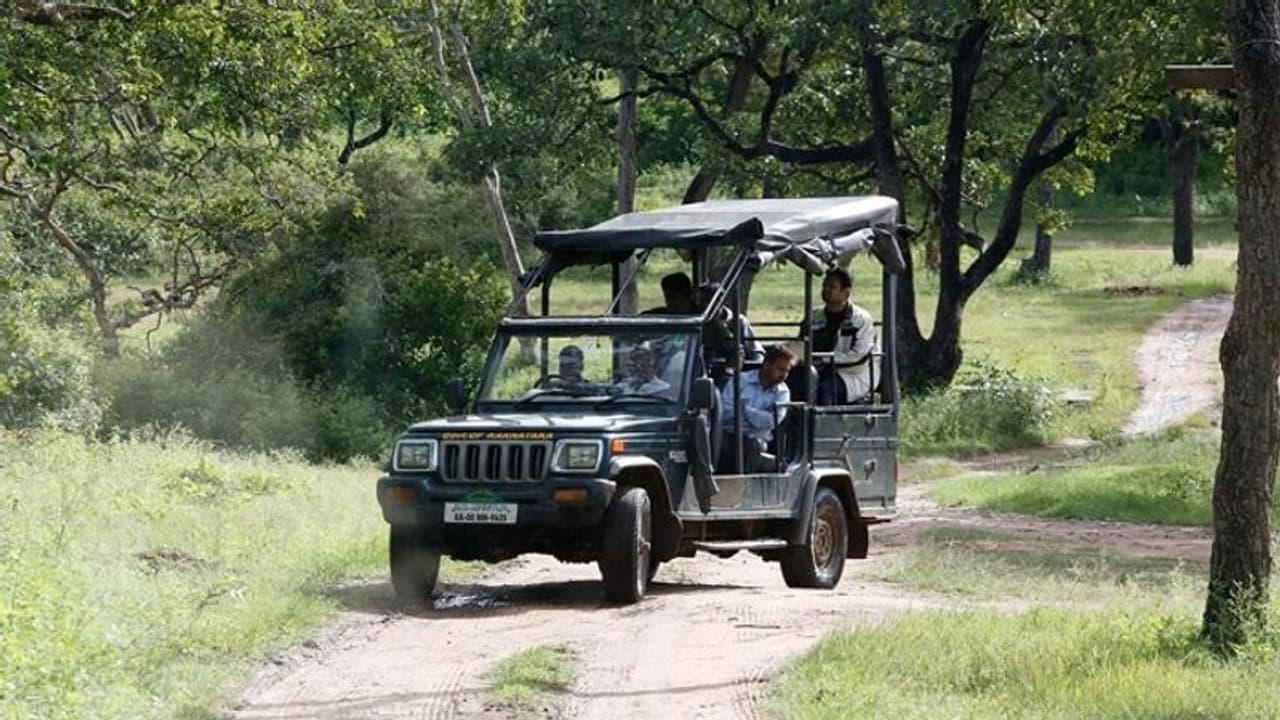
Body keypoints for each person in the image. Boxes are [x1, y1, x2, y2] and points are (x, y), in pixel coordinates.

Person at [718, 344, 795, 473]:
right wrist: (759, 416)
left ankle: (741, 483)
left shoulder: (782, 392)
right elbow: (725, 412)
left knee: (751, 446)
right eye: (780, 369)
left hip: (757, 443)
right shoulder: (740, 381)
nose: (784, 375)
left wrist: (744, 409)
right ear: (767, 365)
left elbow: (772, 421)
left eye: (787, 371)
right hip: (730, 435)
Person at [809, 268, 877, 405]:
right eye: (824, 286)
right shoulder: (814, 317)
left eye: (832, 287)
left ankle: (826, 419)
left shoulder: (861, 320)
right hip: (819, 371)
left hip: (853, 375)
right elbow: (802, 343)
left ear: (846, 292)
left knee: (826, 390)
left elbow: (859, 355)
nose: (826, 290)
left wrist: (824, 359)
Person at [697, 282, 765, 374]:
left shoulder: (739, 321)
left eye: (707, 301)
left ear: (721, 301)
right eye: (701, 301)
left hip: (732, 374)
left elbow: (756, 353)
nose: (704, 306)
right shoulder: (698, 323)